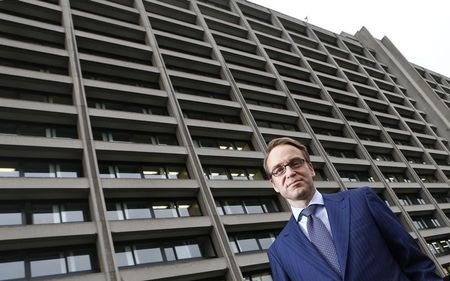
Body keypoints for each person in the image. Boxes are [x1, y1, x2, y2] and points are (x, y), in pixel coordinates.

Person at [264, 137, 443, 281]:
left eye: (295, 163)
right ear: (274, 185)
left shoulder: (362, 200)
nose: (289, 173)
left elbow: (414, 261)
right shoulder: (279, 252)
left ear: (310, 169)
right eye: (279, 170)